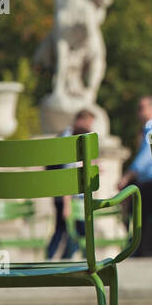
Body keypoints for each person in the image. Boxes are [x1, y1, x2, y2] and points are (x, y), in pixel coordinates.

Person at [118, 96, 152, 257]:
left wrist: (127, 175)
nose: (138, 112)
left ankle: (141, 251)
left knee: (145, 220)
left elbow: (148, 153)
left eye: (142, 108)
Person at [46, 109, 94, 260]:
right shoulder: (68, 140)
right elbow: (66, 174)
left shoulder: (63, 137)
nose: (89, 128)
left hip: (67, 194)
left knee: (71, 230)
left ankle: (61, 257)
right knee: (66, 229)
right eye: (88, 124)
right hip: (67, 195)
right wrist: (67, 203)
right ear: (80, 120)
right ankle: (54, 257)